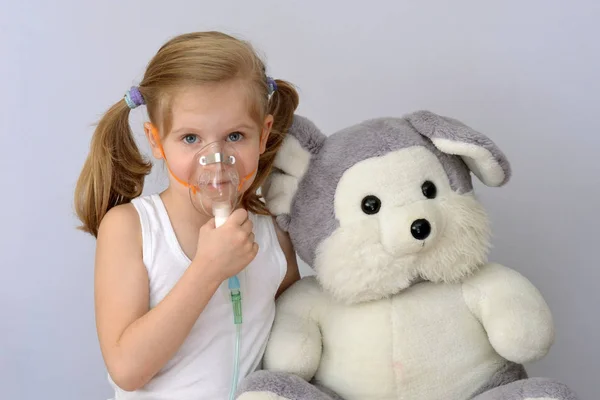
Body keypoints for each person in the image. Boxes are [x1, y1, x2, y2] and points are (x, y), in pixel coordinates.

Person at [73, 31, 301, 400]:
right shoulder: (132, 228)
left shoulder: (272, 229)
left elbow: (299, 322)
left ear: (263, 135)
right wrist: (207, 270)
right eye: (191, 139)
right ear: (157, 141)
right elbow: (127, 370)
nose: (216, 157)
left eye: (235, 136)